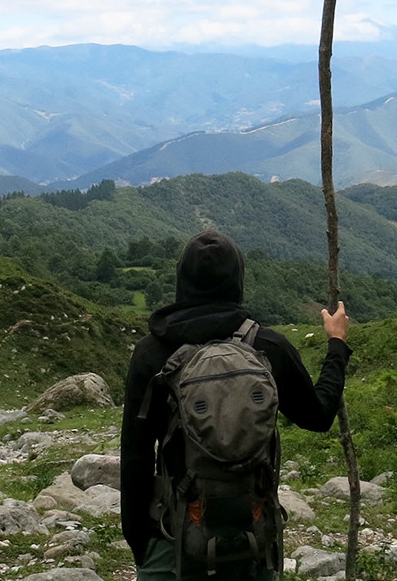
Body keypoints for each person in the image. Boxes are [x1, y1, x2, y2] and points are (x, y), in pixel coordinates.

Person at [120, 230, 352, 581]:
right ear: (237, 280)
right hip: (251, 536)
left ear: (182, 278)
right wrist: (336, 345)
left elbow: (135, 458)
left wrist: (141, 545)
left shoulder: (151, 354)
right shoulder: (268, 347)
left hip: (173, 537)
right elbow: (319, 416)